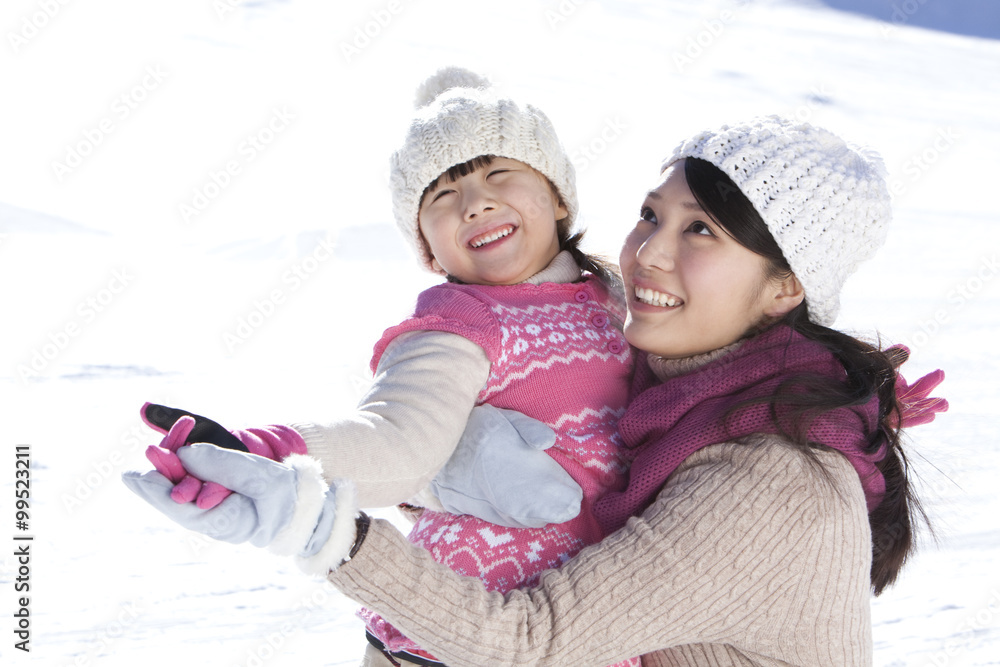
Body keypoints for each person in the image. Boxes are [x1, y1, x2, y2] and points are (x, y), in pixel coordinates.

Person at [126, 116, 946, 666]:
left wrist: (318, 527)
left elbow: (530, 638)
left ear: (783, 290)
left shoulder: (767, 479)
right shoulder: (685, 393)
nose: (647, 255)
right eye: (651, 215)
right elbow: (405, 432)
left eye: (702, 230)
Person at [125, 67, 638, 667]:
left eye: (498, 172)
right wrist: (269, 452)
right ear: (426, 244)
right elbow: (398, 444)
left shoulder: (618, 298)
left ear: (556, 195)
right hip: (456, 631)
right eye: (443, 195)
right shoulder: (459, 323)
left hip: (588, 627)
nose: (476, 203)